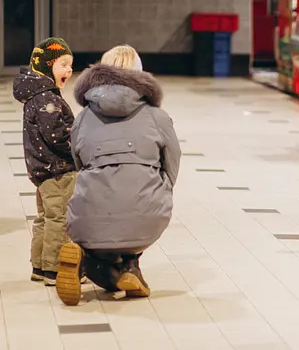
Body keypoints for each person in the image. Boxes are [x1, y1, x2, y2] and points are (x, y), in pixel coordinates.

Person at [55, 45, 181, 306]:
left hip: (89, 216)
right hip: (146, 215)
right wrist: (160, 191)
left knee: (99, 216)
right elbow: (172, 164)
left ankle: (85, 261)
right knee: (135, 213)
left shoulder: (83, 118)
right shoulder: (158, 117)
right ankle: (130, 267)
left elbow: (79, 163)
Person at [13, 38, 78, 286]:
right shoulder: (46, 99)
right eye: (63, 64)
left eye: (71, 65)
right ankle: (53, 269)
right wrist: (77, 143)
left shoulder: (37, 94)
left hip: (42, 170)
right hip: (57, 170)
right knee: (59, 218)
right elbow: (57, 137)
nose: (69, 71)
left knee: (45, 218)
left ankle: (39, 266)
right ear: (46, 66)